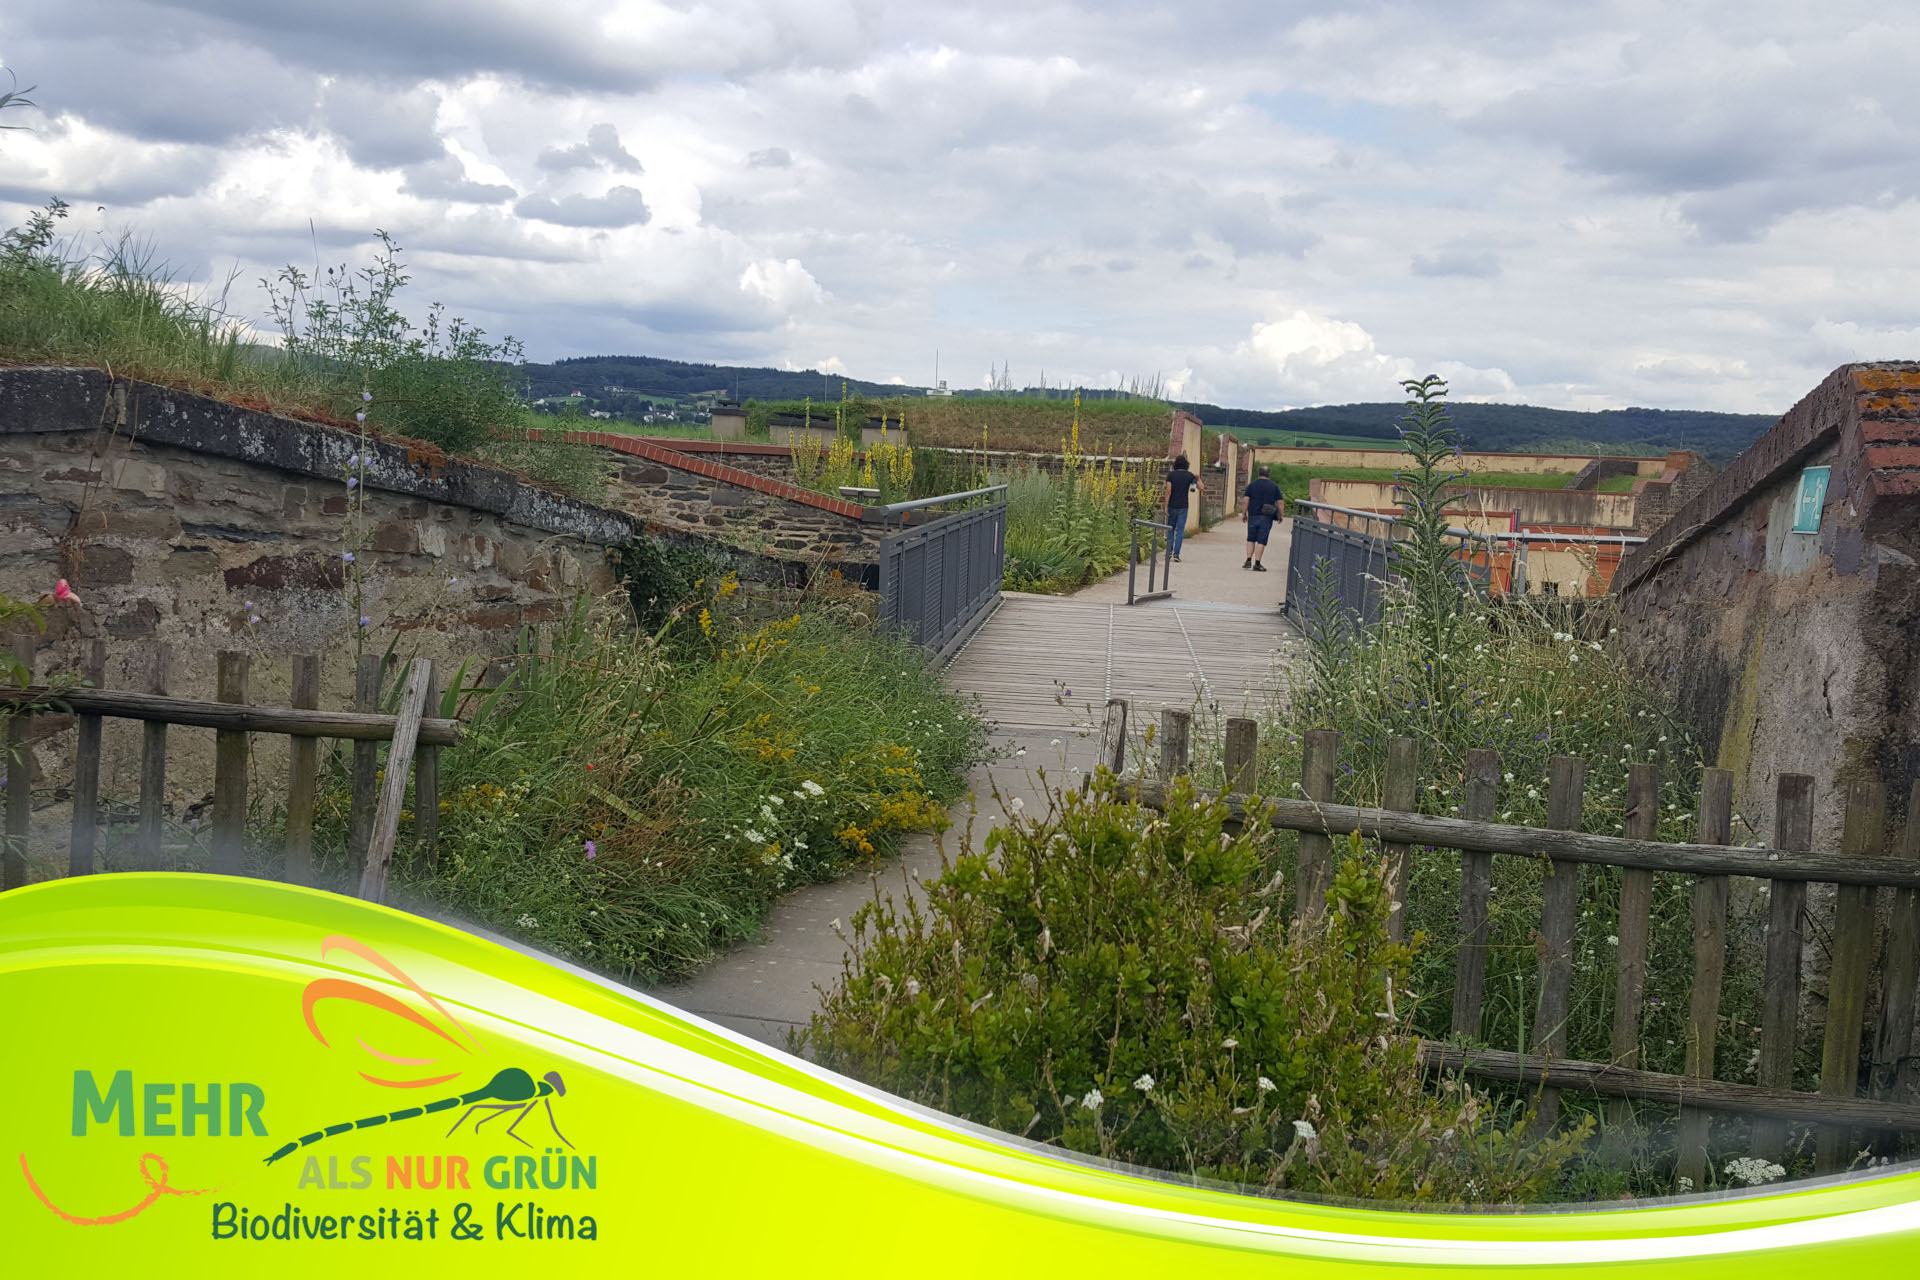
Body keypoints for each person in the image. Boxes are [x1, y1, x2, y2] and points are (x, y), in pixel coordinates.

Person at [1241, 464, 1282, 571]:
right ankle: (1257, 564)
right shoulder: (1274, 486)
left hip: (1253, 515)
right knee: (1261, 540)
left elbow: (1245, 500)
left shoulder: (1252, 485)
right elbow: (1280, 502)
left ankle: (1248, 560)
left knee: (1251, 538)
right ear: (1269, 474)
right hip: (1267, 517)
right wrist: (1281, 514)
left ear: (1258, 473)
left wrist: (1244, 513)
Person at [1162, 455, 1201, 561]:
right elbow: (1201, 488)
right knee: (1180, 530)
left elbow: (1168, 491)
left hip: (1172, 505)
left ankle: (1168, 552)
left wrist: (1166, 505)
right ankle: (1176, 554)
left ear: (1175, 464)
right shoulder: (1190, 476)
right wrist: (1198, 478)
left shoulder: (1171, 475)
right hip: (1184, 506)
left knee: (1170, 529)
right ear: (1186, 465)